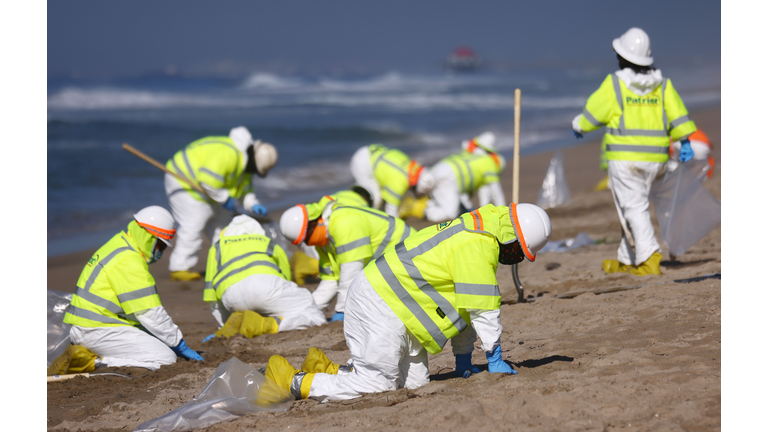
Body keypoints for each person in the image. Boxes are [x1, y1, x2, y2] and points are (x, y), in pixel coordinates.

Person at [263, 203, 552, 401]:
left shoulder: (479, 233)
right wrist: (494, 358)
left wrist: (463, 361)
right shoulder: (477, 244)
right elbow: (482, 309)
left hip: (403, 308)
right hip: (380, 300)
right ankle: (292, 380)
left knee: (414, 385)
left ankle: (332, 370)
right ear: (512, 238)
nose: (516, 257)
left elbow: (466, 310)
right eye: (520, 251)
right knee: (376, 386)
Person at [571, 27, 696, 276]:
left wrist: (579, 126)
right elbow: (678, 115)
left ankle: (649, 257)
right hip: (657, 160)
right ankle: (627, 257)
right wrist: (685, 142)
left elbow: (592, 115)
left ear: (621, 56)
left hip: (626, 160)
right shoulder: (662, 85)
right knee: (631, 206)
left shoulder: (615, 84)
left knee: (632, 207)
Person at [63, 206, 204, 371]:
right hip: (96, 329)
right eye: (160, 246)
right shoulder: (130, 260)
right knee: (165, 358)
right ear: (148, 237)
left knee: (159, 342)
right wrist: (178, 344)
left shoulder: (120, 243)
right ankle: (90, 361)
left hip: (94, 324)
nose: (160, 252)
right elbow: (149, 312)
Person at [165, 126, 278, 282]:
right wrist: (225, 199)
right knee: (195, 222)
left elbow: (245, 191)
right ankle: (179, 268)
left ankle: (223, 263)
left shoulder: (245, 166)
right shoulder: (228, 154)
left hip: (212, 189)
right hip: (183, 179)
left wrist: (252, 204)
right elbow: (207, 181)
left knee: (224, 225)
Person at [279, 199, 417, 322]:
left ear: (314, 222)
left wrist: (342, 310)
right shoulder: (324, 240)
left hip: (410, 255)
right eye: (303, 242)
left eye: (307, 237)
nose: (308, 244)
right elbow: (331, 279)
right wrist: (309, 308)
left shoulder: (344, 222)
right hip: (388, 264)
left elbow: (351, 271)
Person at [201, 215, 326, 341]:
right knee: (314, 316)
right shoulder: (268, 243)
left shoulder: (216, 248)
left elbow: (211, 294)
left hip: (231, 297)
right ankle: (268, 325)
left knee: (260, 305)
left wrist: (223, 327)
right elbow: (285, 276)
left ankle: (246, 325)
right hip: (265, 286)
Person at [290, 186, 374, 286]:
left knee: (326, 264)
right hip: (326, 235)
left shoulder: (339, 195)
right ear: (366, 199)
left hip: (309, 233)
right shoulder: (362, 206)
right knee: (344, 263)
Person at [411, 134, 506, 222]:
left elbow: (482, 194)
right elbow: (496, 192)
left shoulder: (471, 153)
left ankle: (428, 203)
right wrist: (503, 213)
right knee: (451, 213)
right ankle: (420, 209)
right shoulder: (489, 163)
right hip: (448, 178)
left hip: (437, 169)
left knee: (447, 200)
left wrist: (480, 212)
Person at [349, 143, 436, 217]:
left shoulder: (410, 165)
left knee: (379, 197)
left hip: (368, 151)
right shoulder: (399, 182)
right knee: (375, 199)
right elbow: (391, 211)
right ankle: (359, 217)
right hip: (363, 164)